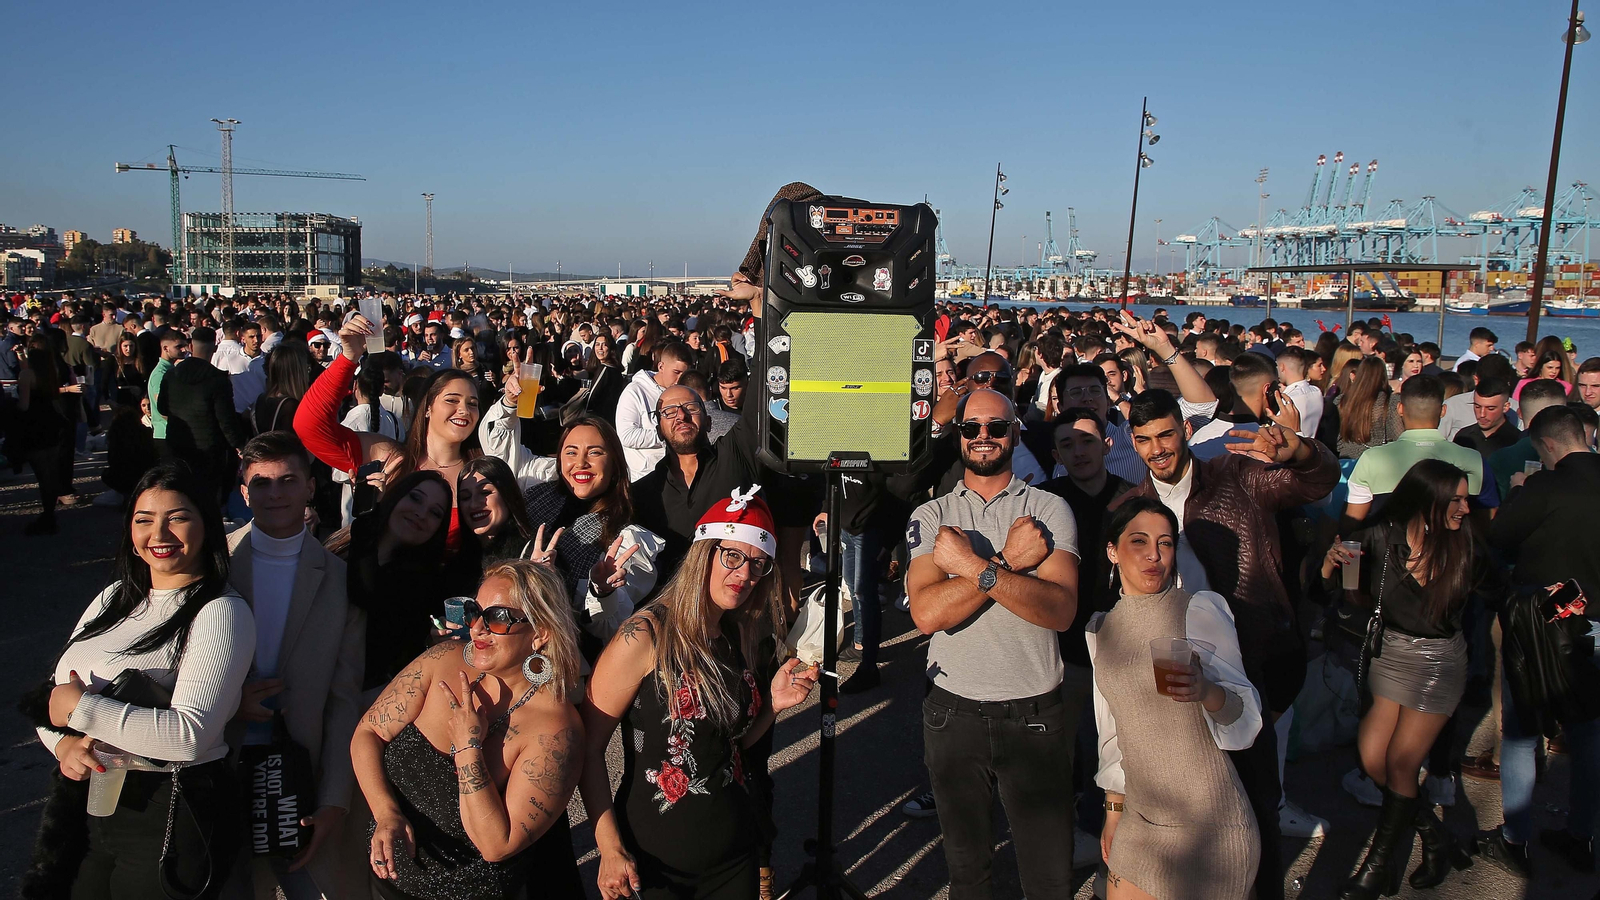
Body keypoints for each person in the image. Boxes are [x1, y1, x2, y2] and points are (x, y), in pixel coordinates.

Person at [1113, 389, 1340, 898]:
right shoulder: (1131, 508)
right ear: (1133, 442)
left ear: (1186, 431)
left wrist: (1301, 450)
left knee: (1255, 806)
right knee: (1186, 811)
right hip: (1173, 673)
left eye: (1166, 435)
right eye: (1145, 440)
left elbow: (1317, 479)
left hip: (1252, 663)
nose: (1158, 450)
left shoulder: (1237, 477)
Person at [580, 490, 817, 900]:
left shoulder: (739, 631)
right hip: (656, 863)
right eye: (732, 556)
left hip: (733, 855)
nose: (744, 574)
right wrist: (608, 847)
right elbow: (587, 747)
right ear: (704, 553)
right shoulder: (646, 635)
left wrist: (773, 707)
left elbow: (731, 745)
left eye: (758, 563)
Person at [30, 464, 254, 899]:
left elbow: (190, 736)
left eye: (178, 517)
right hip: (93, 804)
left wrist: (84, 711)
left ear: (207, 526)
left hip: (168, 809)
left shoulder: (221, 612)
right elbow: (51, 698)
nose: (160, 533)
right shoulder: (114, 597)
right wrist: (63, 745)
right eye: (144, 519)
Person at [905, 388, 1080, 900]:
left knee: (1049, 876)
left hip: (1035, 712)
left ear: (1015, 433)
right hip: (953, 712)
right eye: (971, 428)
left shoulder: (1049, 508)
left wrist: (972, 568)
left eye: (996, 428)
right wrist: (1006, 564)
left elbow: (1060, 610)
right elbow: (927, 614)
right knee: (967, 874)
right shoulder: (932, 514)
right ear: (958, 435)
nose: (983, 437)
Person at [351, 560, 585, 900]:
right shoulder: (442, 661)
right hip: (387, 881)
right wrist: (385, 812)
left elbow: (496, 845)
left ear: (541, 633)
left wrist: (468, 748)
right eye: (474, 612)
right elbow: (367, 734)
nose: (476, 629)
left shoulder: (556, 730)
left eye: (497, 618)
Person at [1089, 497, 1263, 900]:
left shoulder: (1198, 609)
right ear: (1112, 551)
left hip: (1210, 823)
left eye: (1165, 543)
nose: (1154, 554)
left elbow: (1245, 717)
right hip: (1140, 818)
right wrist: (1113, 812)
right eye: (1139, 541)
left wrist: (1206, 692)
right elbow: (1112, 732)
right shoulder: (1100, 630)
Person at [226, 431, 367, 898]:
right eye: (261, 484)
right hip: (217, 756)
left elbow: (343, 699)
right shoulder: (214, 562)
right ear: (244, 492)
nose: (276, 493)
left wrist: (334, 800)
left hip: (298, 770)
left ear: (310, 487)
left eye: (287, 480)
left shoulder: (341, 581)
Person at [1481, 405, 1600, 877]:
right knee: (1589, 731)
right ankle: (1582, 833)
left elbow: (1500, 536)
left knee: (1522, 729)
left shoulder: (1545, 486)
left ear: (1548, 445)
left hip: (1545, 617)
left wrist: (1515, 496)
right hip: (1596, 616)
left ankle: (1515, 837)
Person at [479, 390, 665, 650]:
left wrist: (603, 591)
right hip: (488, 630)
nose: (581, 463)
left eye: (595, 453)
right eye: (571, 452)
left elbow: (608, 626)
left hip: (554, 653)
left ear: (614, 465)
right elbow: (500, 451)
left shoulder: (627, 534)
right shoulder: (537, 493)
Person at [296, 314, 482, 549]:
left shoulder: (481, 475)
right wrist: (348, 358)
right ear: (427, 408)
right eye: (452, 400)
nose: (463, 410)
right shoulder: (389, 458)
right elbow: (309, 426)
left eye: (472, 404)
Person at [326, 470, 463, 692]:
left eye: (435, 513)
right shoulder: (342, 542)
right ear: (395, 496)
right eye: (415, 498)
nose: (420, 513)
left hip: (354, 697)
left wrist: (366, 516)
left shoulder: (422, 585)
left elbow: (364, 593)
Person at [1344, 375, 1487, 524]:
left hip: (1390, 544)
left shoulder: (1371, 458)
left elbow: (1353, 520)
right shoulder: (1473, 459)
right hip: (1449, 545)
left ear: (1400, 408)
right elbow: (1480, 519)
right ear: (1443, 410)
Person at [159, 327, 250, 505]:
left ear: (191, 346)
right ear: (215, 348)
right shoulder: (217, 380)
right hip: (209, 450)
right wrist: (240, 445)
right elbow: (226, 421)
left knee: (180, 495)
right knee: (207, 501)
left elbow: (162, 407)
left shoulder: (171, 374)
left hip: (177, 443)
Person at [14, 335, 73, 534]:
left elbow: (24, 405)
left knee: (42, 473)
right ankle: (50, 513)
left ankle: (47, 517)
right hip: (51, 424)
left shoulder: (27, 376)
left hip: (34, 426)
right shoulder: (51, 372)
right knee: (50, 471)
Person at [615, 341, 694, 481]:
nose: (680, 378)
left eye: (684, 373)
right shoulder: (634, 392)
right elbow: (626, 435)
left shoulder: (684, 392)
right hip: (643, 478)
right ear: (661, 366)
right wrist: (665, 435)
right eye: (676, 372)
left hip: (678, 475)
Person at [456, 455, 537, 566]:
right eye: (465, 497)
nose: (474, 504)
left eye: (485, 492)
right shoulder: (455, 566)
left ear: (507, 494)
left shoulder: (537, 552)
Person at [1336, 357, 1403, 460]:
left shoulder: (1342, 400)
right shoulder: (1391, 402)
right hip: (1379, 459)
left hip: (1347, 459)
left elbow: (1336, 436)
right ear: (1383, 376)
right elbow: (1398, 437)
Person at [1452, 378, 1520, 460]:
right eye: (1477, 407)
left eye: (1490, 408)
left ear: (1505, 407)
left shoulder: (1517, 441)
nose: (1482, 414)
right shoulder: (1463, 437)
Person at [1278, 347, 1325, 439]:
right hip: (1312, 445)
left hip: (1291, 447)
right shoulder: (1316, 392)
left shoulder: (1288, 400)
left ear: (1282, 367)